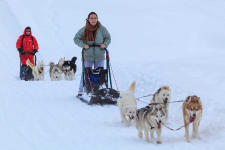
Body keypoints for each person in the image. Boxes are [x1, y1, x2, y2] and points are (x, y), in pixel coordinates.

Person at [74, 12, 111, 98]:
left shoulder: (102, 29)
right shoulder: (84, 29)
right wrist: (83, 45)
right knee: (86, 73)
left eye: (95, 18)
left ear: (97, 19)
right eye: (91, 18)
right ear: (88, 19)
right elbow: (76, 39)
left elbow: (108, 38)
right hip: (88, 55)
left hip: (100, 55)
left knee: (100, 74)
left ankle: (100, 91)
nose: (93, 20)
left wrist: (105, 44)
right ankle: (81, 91)